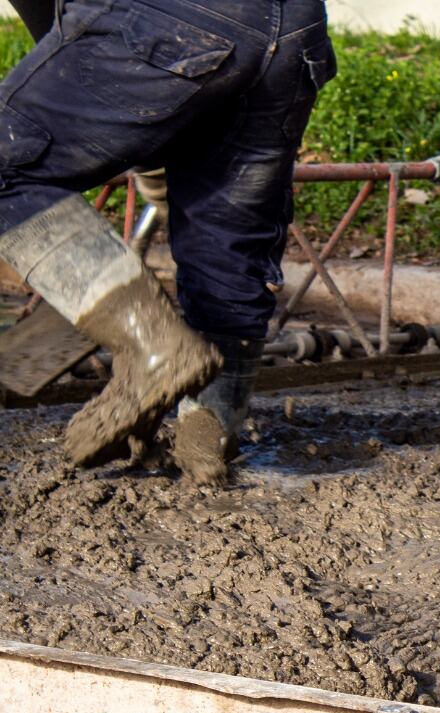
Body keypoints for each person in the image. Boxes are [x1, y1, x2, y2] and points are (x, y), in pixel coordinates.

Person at [0, 0, 336, 484]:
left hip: (172, 19)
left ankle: (153, 348)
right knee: (225, 249)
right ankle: (206, 445)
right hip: (293, 28)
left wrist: (106, 98)